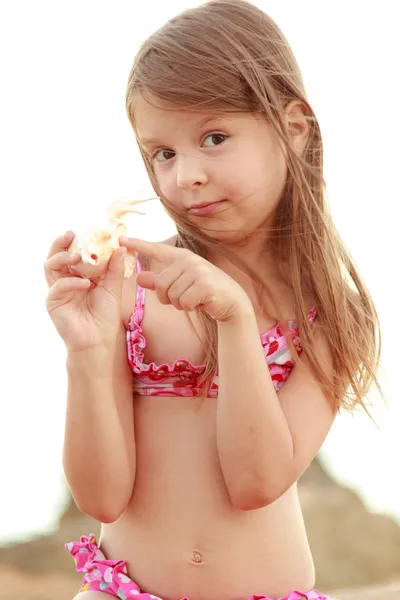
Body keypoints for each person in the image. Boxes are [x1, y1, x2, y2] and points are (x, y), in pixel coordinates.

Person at [44, 1, 381, 598]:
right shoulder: (130, 282)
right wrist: (88, 353)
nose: (185, 176)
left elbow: (256, 483)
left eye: (214, 137)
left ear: (294, 130)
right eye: (163, 153)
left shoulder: (331, 313)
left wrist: (236, 319)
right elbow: (100, 497)